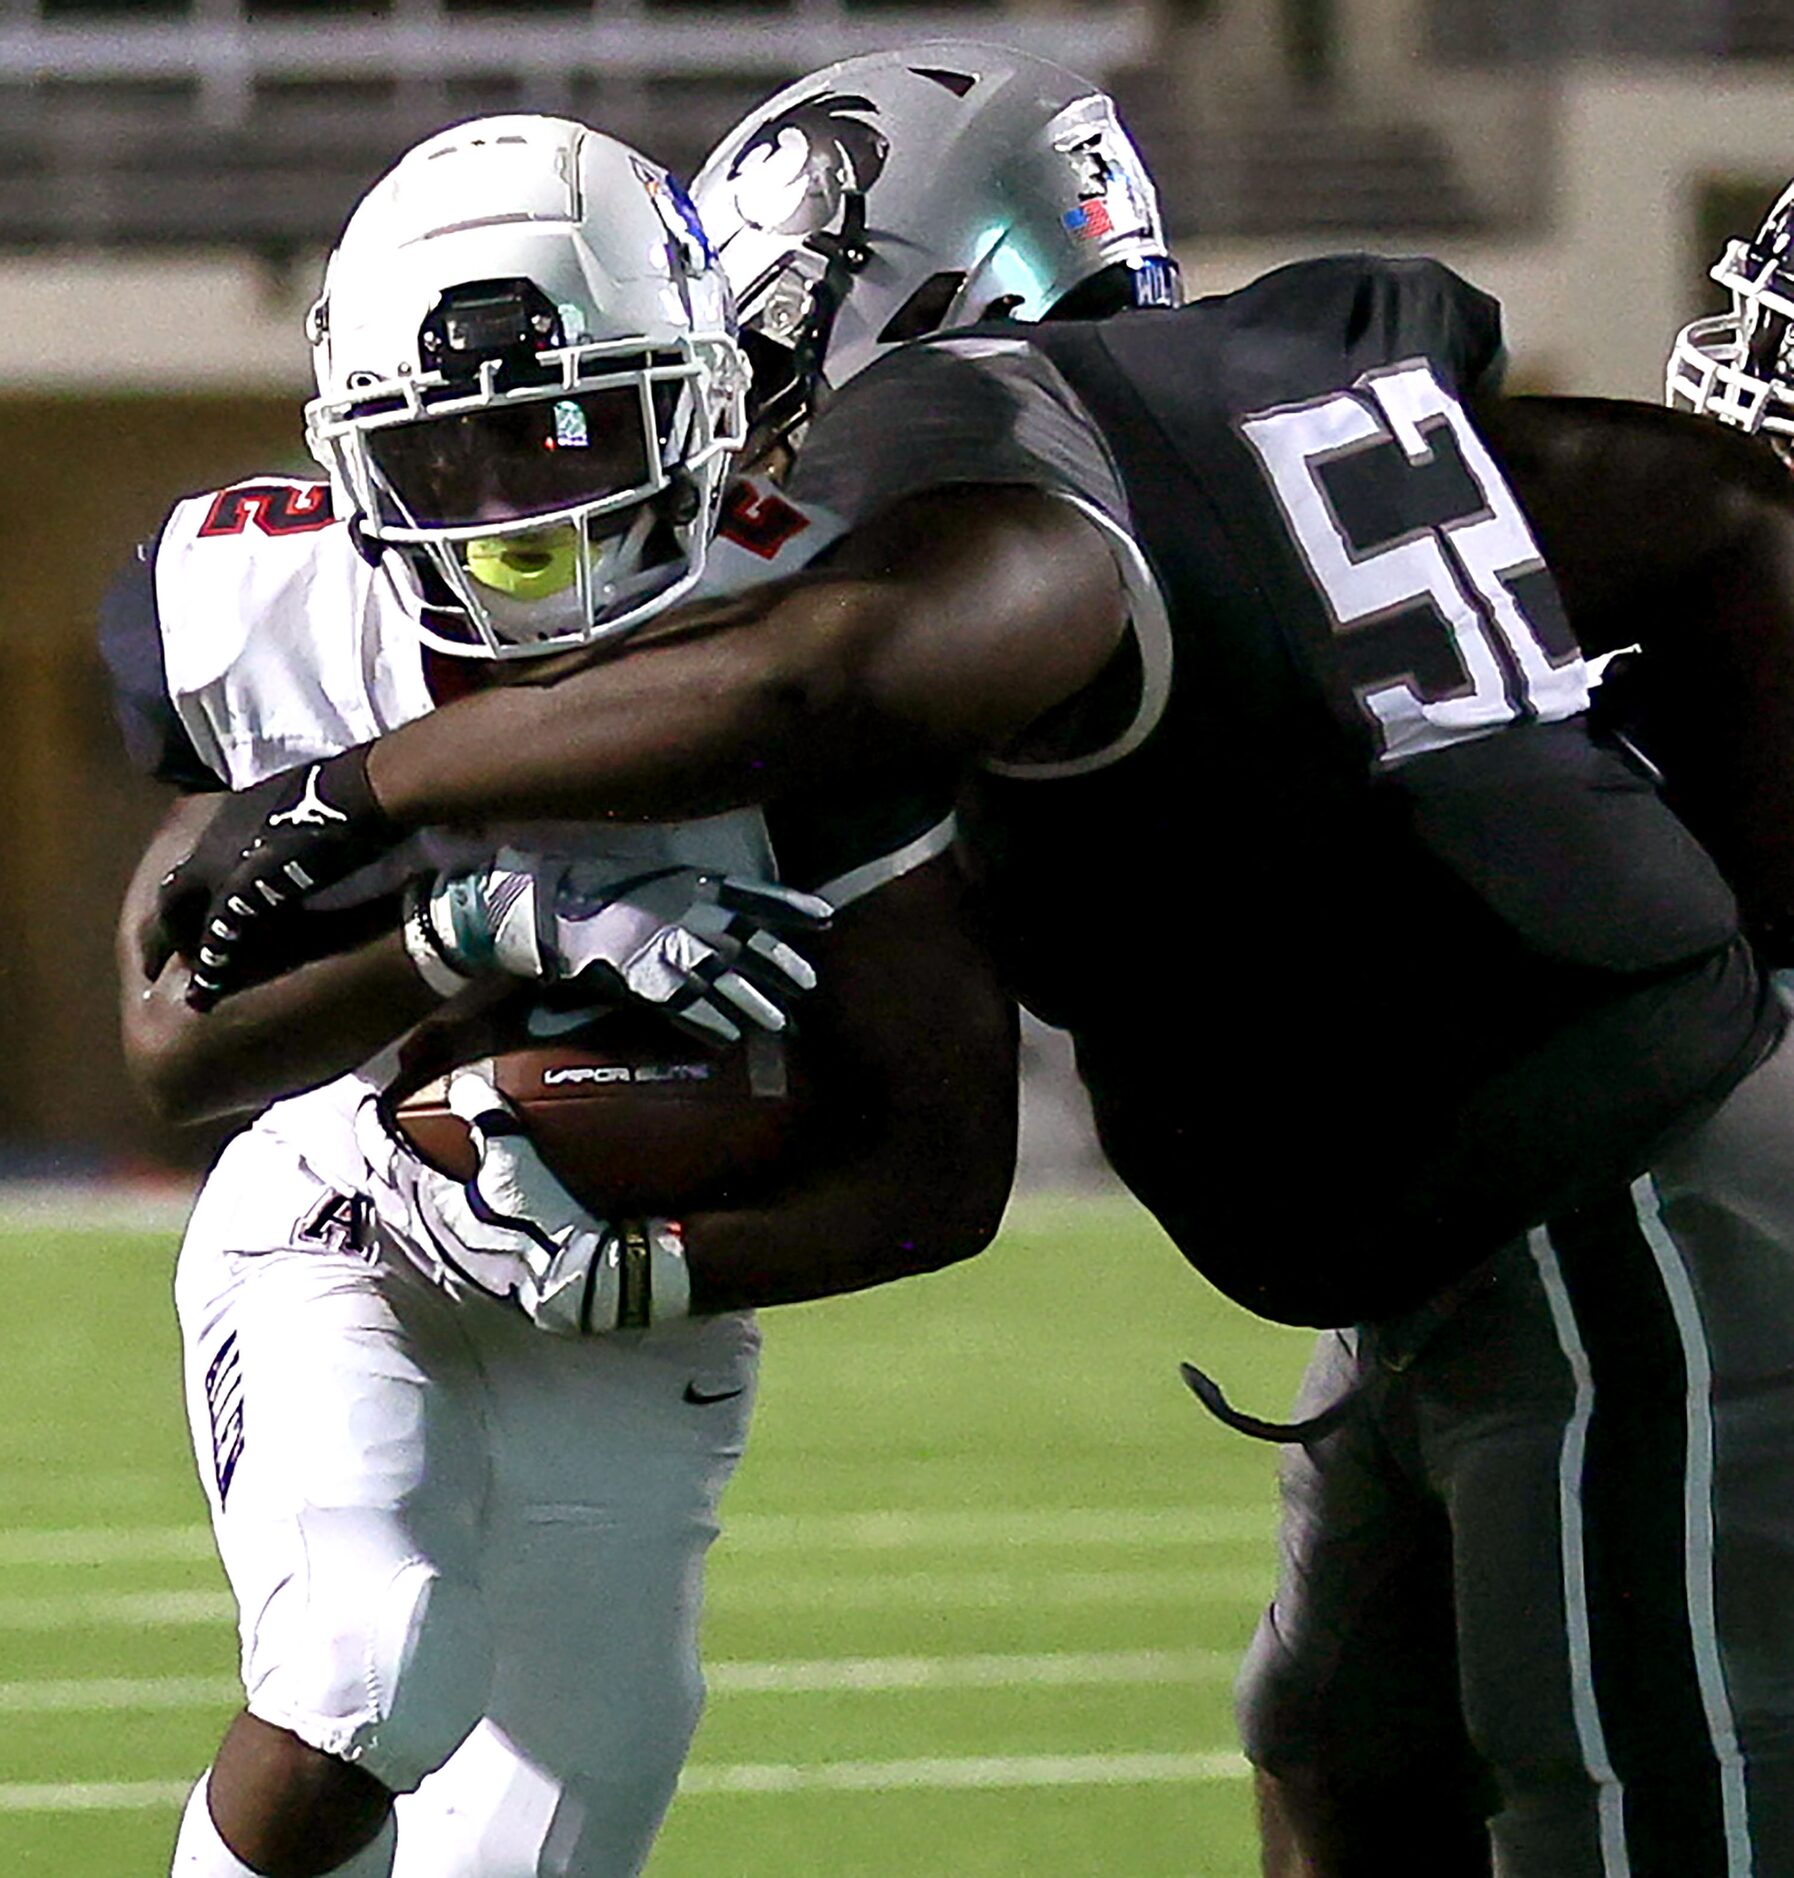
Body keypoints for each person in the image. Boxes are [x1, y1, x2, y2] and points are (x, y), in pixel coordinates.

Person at [146, 44, 1794, 1878]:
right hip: (1472, 1194)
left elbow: (828, 675)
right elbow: (1725, 514)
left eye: (765, 340)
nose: (759, 417)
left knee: (1641, 1793)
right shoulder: (1260, 388)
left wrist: (363, 785)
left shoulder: (995, 446)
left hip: (1596, 1189)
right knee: (1337, 1742)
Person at [108, 113, 1017, 1878]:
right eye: (446, 457)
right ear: (356, 461)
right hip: (341, 1209)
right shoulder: (272, 603)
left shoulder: (815, 632)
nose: (521, 506)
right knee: (373, 1665)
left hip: (630, 1279)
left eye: (569, 425)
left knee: (567, 1803)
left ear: (695, 392)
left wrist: (653, 1269)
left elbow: (944, 1161)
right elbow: (170, 1053)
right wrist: (480, 928)